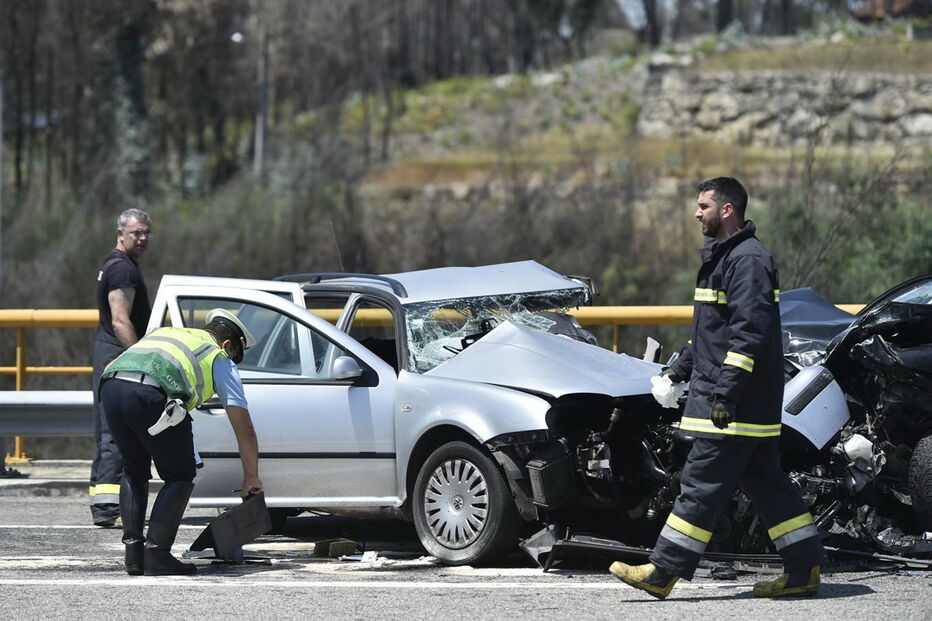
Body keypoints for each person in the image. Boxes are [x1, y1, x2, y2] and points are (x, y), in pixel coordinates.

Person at [610, 177, 827, 599]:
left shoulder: (746, 261)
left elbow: (748, 335)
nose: (697, 213)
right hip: (744, 403)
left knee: (700, 481)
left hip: (732, 404)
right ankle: (805, 569)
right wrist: (677, 371)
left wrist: (726, 393)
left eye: (704, 206)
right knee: (768, 484)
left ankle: (663, 571)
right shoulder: (727, 258)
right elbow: (710, 334)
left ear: (727, 210)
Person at [98, 308, 262, 576]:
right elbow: (244, 429)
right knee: (181, 475)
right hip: (150, 394)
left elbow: (113, 365)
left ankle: (134, 555)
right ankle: (157, 553)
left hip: (112, 388)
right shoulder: (217, 356)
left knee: (134, 469)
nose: (233, 363)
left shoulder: (168, 333)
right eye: (235, 357)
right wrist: (251, 477)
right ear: (228, 345)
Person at [90, 209, 153, 527]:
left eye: (146, 233)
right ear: (120, 233)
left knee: (106, 431)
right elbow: (120, 320)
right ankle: (105, 507)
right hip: (117, 354)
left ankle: (101, 503)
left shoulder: (116, 266)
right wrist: (140, 356)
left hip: (109, 351)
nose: (142, 238)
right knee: (115, 432)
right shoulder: (122, 271)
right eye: (136, 233)